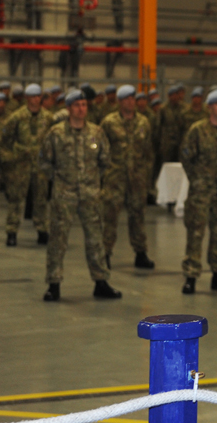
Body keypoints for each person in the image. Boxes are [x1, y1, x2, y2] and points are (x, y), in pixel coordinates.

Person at [39, 89, 121, 301]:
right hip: (64, 195)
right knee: (58, 239)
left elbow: (104, 161)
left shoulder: (96, 132)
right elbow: (45, 163)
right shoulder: (56, 134)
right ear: (68, 108)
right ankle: (53, 283)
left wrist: (91, 181)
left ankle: (101, 281)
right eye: (76, 105)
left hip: (90, 194)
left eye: (84, 105)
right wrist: (60, 181)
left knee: (95, 238)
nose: (81, 109)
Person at [179, 89, 217, 294]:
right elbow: (186, 156)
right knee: (196, 232)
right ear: (209, 108)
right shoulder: (197, 130)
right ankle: (191, 275)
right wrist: (197, 179)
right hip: (201, 191)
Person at [100, 85, 155, 269]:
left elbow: (148, 150)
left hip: (137, 177)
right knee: (110, 216)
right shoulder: (109, 122)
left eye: (132, 98)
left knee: (138, 214)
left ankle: (141, 253)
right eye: (126, 99)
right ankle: (105, 253)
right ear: (119, 102)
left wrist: (146, 173)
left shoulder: (144, 122)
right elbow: (97, 144)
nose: (130, 102)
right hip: (115, 177)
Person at [0, 83, 53, 246]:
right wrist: (10, 158)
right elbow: (5, 138)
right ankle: (12, 231)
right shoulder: (16, 117)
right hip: (21, 164)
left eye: (38, 96)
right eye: (32, 97)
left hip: (40, 165)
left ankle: (42, 230)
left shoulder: (48, 118)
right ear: (27, 98)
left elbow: (53, 139)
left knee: (41, 198)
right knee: (16, 198)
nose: (35, 100)